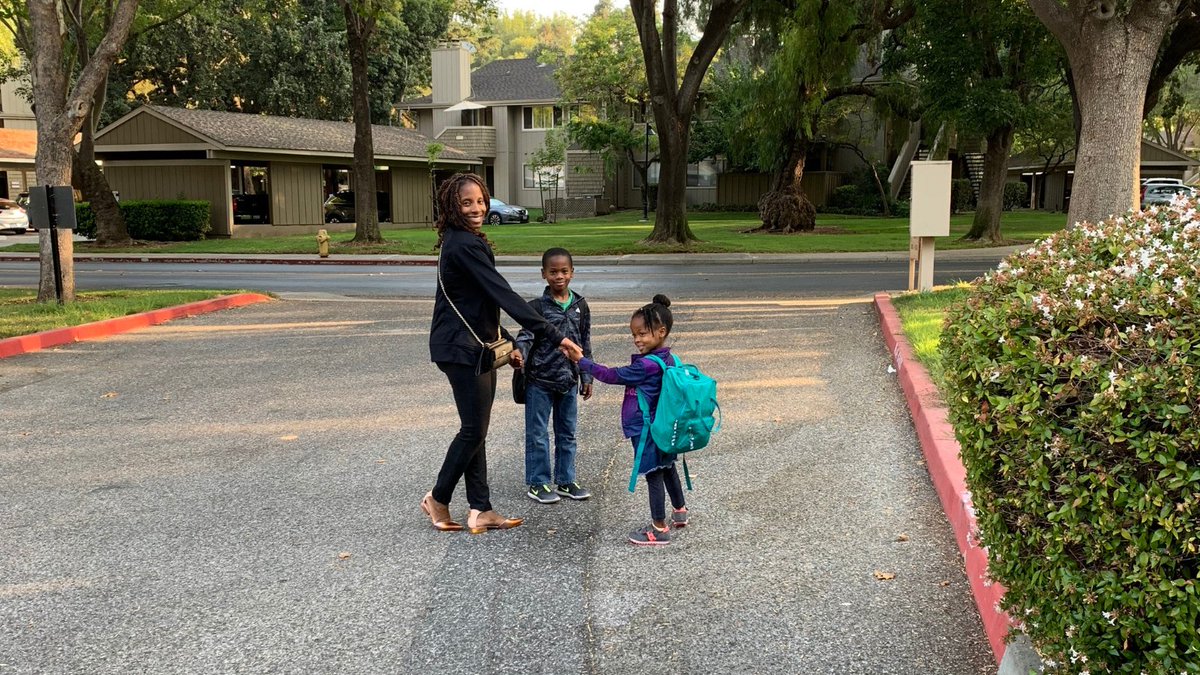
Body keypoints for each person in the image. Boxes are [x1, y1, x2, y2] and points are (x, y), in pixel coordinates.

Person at [424, 173, 582, 535]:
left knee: (476, 427)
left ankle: (481, 509)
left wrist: (508, 342)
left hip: (472, 346)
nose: (476, 208)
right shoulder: (464, 244)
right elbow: (502, 294)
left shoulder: (461, 241)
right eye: (467, 203)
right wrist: (555, 335)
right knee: (473, 429)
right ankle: (438, 496)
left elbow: (479, 302)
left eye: (480, 200)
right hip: (460, 348)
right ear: (452, 205)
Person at [564, 295, 689, 546]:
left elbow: (611, 375)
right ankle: (680, 511)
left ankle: (659, 528)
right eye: (634, 335)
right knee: (667, 467)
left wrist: (581, 361)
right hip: (664, 426)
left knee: (653, 473)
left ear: (661, 332)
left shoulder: (646, 366)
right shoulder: (670, 359)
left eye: (642, 334)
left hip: (646, 429)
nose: (637, 340)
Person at [515, 247, 594, 504]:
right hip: (540, 380)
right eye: (553, 272)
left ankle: (565, 480)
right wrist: (520, 354)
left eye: (563, 271)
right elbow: (525, 336)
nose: (558, 276)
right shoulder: (536, 307)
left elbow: (585, 343)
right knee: (537, 434)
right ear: (543, 274)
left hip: (568, 380)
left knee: (567, 432)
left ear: (572, 273)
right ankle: (538, 483)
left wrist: (587, 376)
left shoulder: (580, 305)